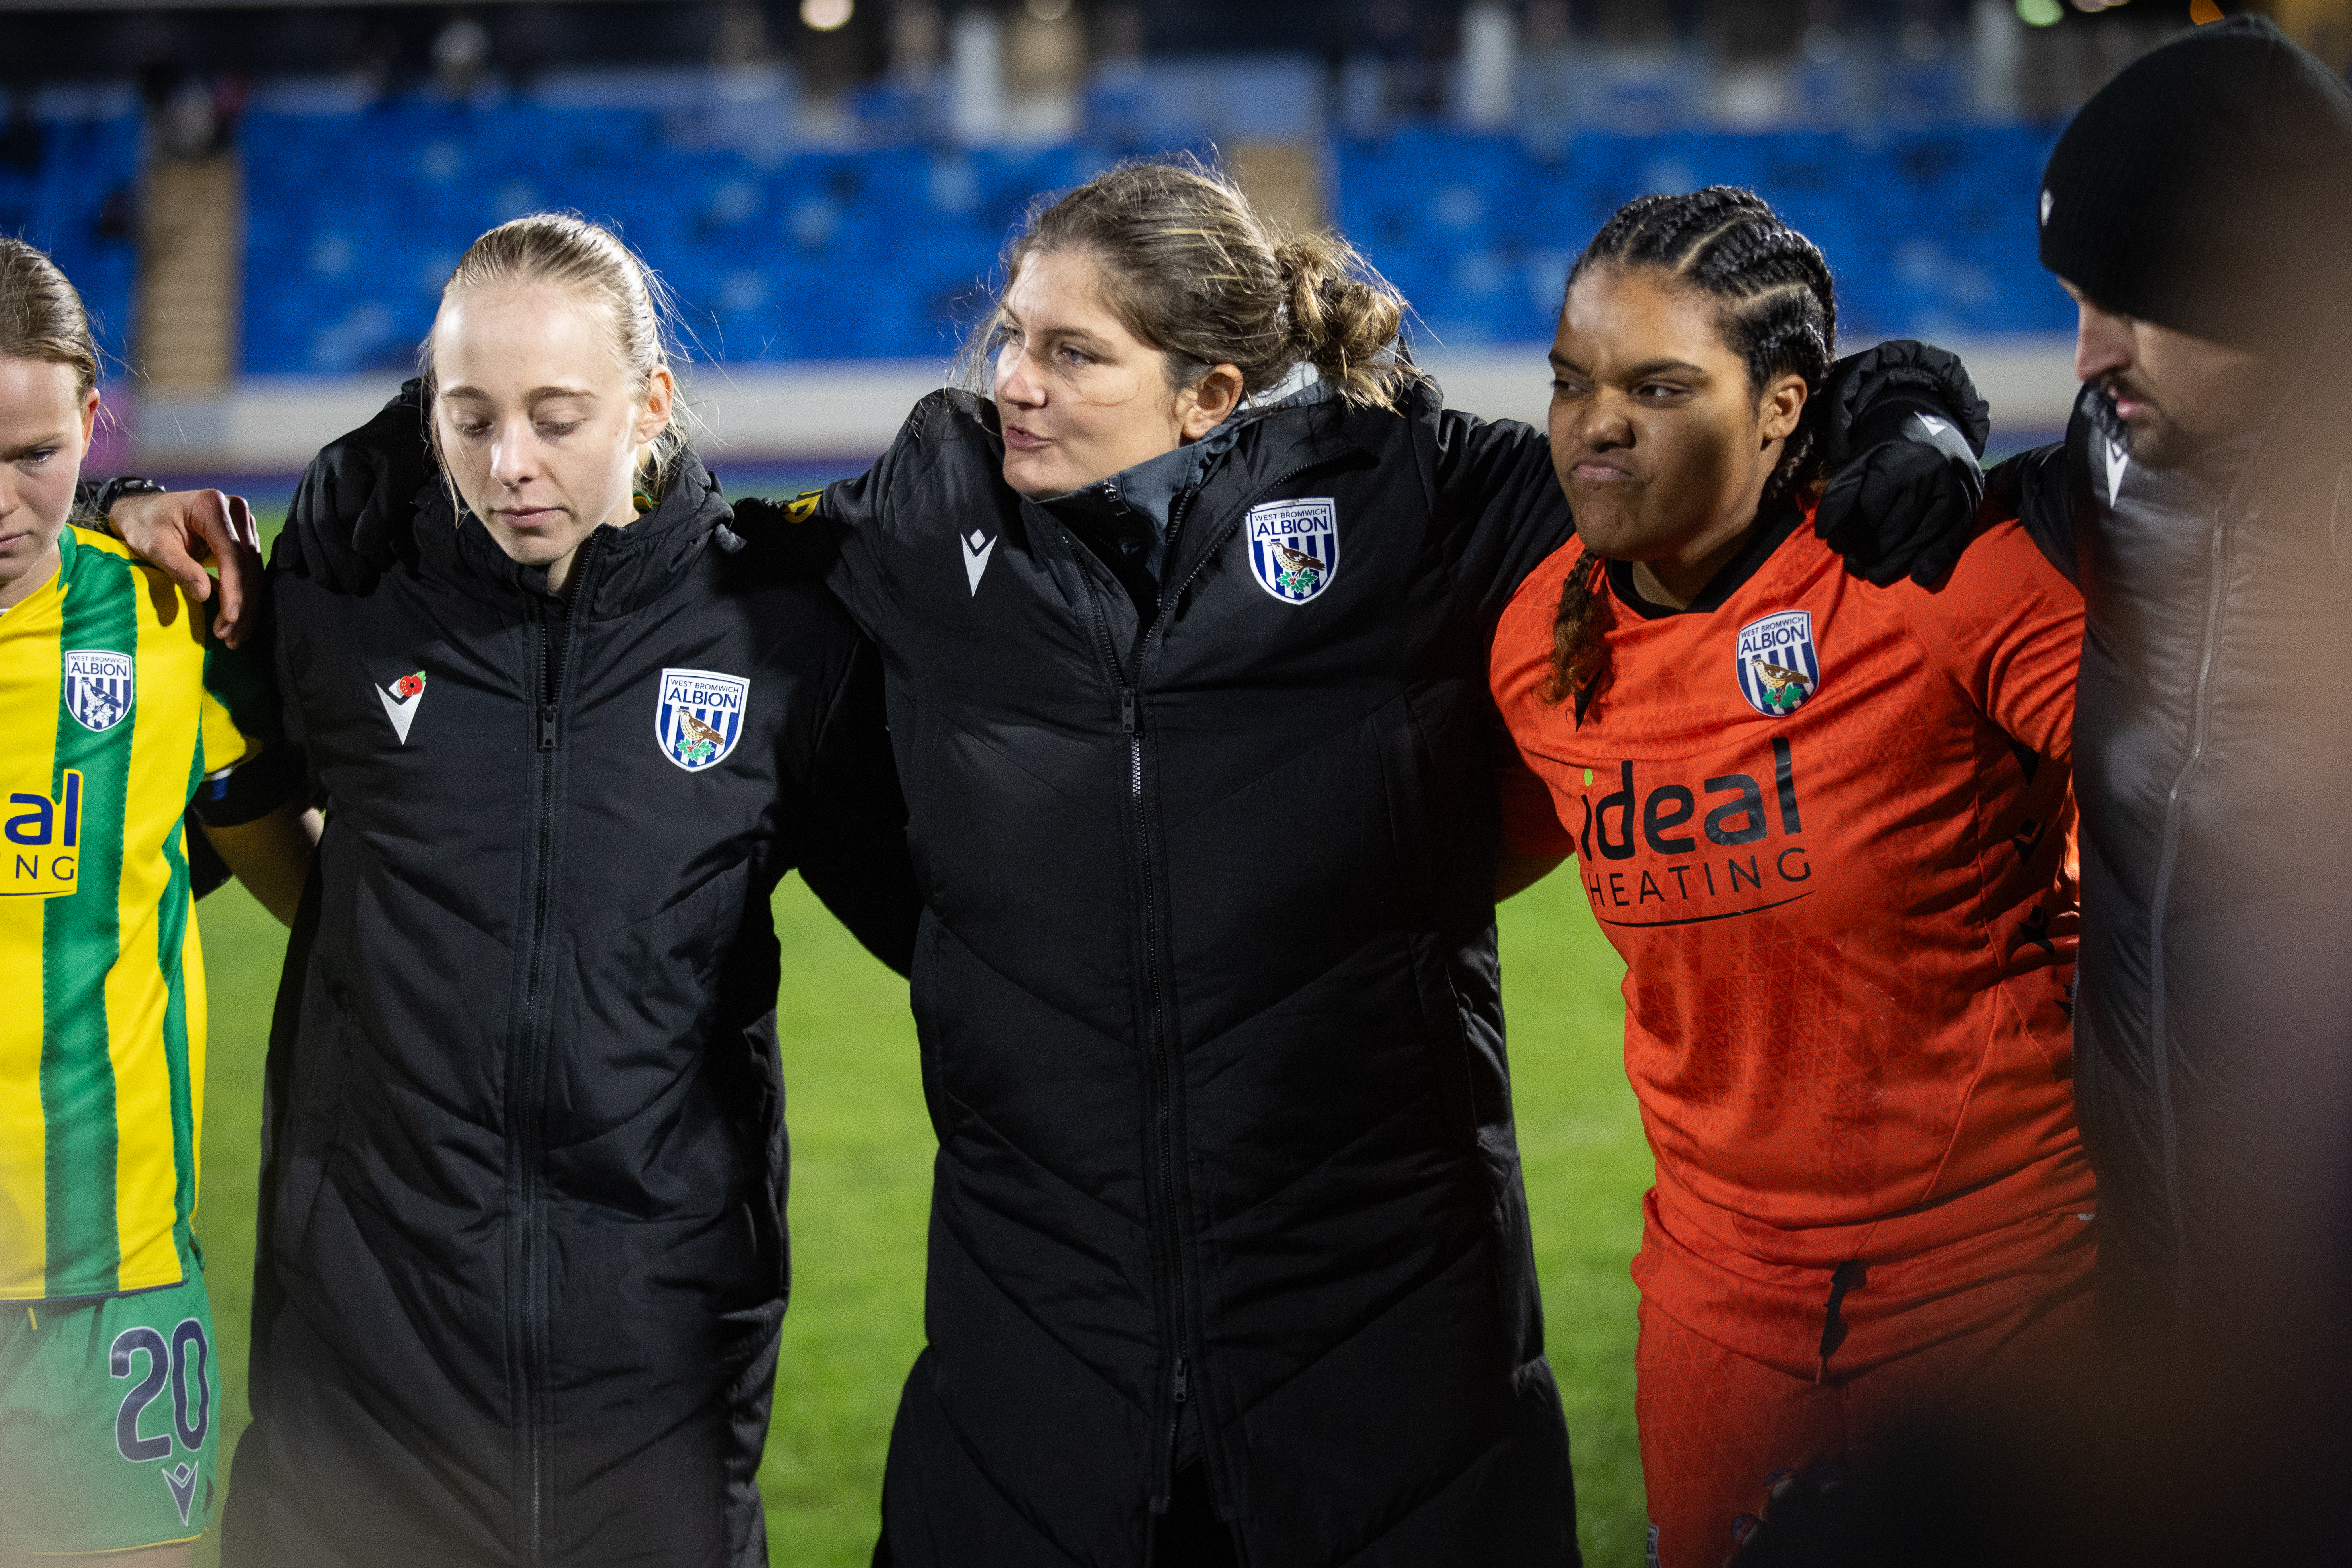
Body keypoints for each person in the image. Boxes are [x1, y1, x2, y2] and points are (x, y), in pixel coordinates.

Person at [273, 160, 1989, 1565]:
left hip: (1383, 1355)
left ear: (1210, 393)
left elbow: (1671, 456)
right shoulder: (922, 522)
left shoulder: (1414, 507)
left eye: (1073, 354)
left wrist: (1889, 403)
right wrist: (373, 468)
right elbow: (664, 542)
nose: (1012, 378)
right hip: (1038, 1378)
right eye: (1010, 337)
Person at [218, 214, 919, 1565]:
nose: (510, 464)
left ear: (651, 404)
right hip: (360, 1373)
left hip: (652, 1373)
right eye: (469, 417)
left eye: (556, 414)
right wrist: (132, 509)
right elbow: (209, 775)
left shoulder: (774, 632)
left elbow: (944, 922)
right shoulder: (346, 595)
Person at [1485, 188, 2093, 1568]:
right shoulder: (1534, 644)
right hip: (1714, 1314)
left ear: (1777, 407)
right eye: (1571, 383)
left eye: (1657, 385)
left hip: (2009, 1285)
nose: (1597, 423)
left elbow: (2209, 817)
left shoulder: (1933, 570)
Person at [1958, 17, 2352, 1564]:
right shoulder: (2125, 459)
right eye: (2076, 301)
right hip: (2158, 1309)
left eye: (2131, 307)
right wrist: (1912, 416)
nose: (2084, 354)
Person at [0, 239, 313, 1567]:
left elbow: (309, 882)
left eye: (29, 454)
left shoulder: (167, 624)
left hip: (112, 1297)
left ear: (88, 424)